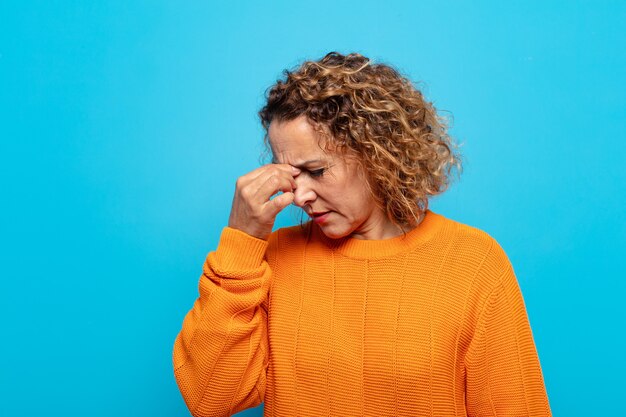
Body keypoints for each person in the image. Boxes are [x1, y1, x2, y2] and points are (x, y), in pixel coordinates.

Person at [172, 52, 552, 417]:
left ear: (377, 154)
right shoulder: (270, 260)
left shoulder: (471, 261)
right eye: (289, 175)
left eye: (317, 171)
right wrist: (241, 240)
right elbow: (210, 400)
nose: (299, 196)